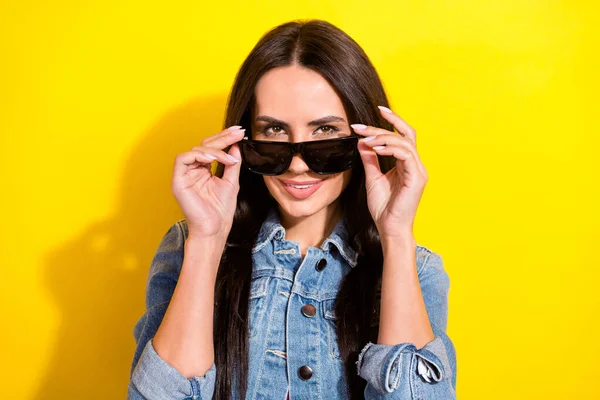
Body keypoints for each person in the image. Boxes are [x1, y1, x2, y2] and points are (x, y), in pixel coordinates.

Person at [127, 19, 457, 400]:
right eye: (274, 132)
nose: (298, 164)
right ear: (244, 138)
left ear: (367, 136)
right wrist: (207, 240)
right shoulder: (187, 246)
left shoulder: (418, 271)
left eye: (324, 132)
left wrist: (396, 235)